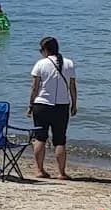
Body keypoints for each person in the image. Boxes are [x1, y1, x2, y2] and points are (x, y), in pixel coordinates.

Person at [27, 36, 77, 180]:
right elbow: (72, 87)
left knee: (40, 138)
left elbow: (34, 88)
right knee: (60, 140)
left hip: (41, 105)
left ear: (46, 50)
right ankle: (61, 173)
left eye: (40, 49)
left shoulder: (40, 64)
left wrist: (30, 105)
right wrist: (74, 104)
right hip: (61, 106)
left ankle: (39, 170)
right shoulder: (69, 64)